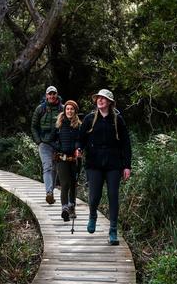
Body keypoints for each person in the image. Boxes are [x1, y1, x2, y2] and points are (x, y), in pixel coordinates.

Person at [80, 89, 132, 245]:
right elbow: (80, 139)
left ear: (110, 102)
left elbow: (126, 144)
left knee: (113, 196)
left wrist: (127, 166)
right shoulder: (90, 119)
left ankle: (113, 231)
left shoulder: (118, 120)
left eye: (103, 98)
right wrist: (79, 148)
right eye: (98, 98)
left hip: (113, 164)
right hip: (94, 163)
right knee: (94, 195)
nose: (100, 100)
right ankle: (93, 215)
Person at [31, 85, 63, 204]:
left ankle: (52, 192)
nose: (52, 96)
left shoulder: (62, 109)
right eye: (49, 94)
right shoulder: (40, 109)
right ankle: (49, 192)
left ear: (57, 94)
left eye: (54, 93)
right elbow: (33, 126)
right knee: (47, 166)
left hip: (58, 143)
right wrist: (38, 141)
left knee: (55, 168)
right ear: (46, 95)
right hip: (44, 143)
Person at [52, 100, 82, 221]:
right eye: (67, 109)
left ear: (75, 111)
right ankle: (64, 209)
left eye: (72, 109)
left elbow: (81, 140)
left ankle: (72, 207)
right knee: (64, 184)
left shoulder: (79, 125)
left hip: (75, 158)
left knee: (73, 184)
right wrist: (59, 148)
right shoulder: (59, 125)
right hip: (62, 158)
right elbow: (52, 140)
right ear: (65, 110)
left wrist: (79, 148)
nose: (69, 111)